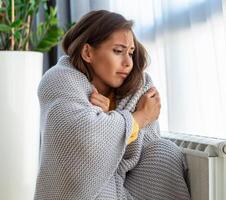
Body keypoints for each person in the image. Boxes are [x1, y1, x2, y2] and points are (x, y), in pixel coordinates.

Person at [34, 10, 191, 200]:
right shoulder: (60, 80)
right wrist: (139, 118)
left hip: (130, 186)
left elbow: (146, 146)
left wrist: (110, 119)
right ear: (87, 52)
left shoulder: (139, 87)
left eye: (130, 53)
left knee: (165, 151)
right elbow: (83, 138)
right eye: (118, 51)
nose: (128, 63)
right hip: (85, 190)